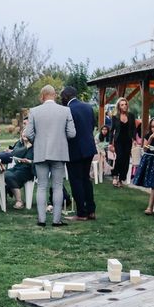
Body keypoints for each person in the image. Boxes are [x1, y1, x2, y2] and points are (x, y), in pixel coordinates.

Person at [24, 84, 76, 227]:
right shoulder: (65, 111)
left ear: (42, 96)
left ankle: (41, 220)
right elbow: (72, 133)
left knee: (41, 186)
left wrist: (37, 140)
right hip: (59, 152)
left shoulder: (34, 111)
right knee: (58, 186)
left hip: (41, 152)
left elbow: (28, 133)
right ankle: (56, 220)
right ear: (55, 95)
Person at [60, 86, 97, 221]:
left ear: (66, 97)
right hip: (89, 148)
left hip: (74, 149)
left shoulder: (67, 110)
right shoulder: (88, 107)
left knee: (76, 181)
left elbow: (67, 131)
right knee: (86, 179)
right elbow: (92, 125)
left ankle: (81, 213)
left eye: (61, 97)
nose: (61, 99)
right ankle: (91, 210)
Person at [132, 118, 154, 214]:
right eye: (152, 127)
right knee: (153, 184)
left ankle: (152, 207)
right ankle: (151, 207)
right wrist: (151, 138)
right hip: (149, 160)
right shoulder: (148, 135)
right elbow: (145, 149)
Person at [109, 97, 137, 187]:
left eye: (125, 104)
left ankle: (121, 179)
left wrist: (134, 139)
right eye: (122, 105)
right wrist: (110, 143)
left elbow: (133, 129)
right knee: (120, 157)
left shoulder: (131, 116)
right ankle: (115, 176)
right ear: (119, 106)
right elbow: (112, 130)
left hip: (128, 140)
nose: (124, 106)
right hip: (118, 140)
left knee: (126, 160)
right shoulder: (115, 117)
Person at [4, 128, 34, 209]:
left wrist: (29, 161)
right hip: (17, 167)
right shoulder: (19, 143)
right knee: (2, 174)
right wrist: (26, 147)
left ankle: (19, 201)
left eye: (27, 132)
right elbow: (14, 153)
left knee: (8, 176)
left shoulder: (35, 145)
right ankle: (3, 200)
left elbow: (37, 160)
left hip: (29, 169)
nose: (25, 134)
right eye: (23, 132)